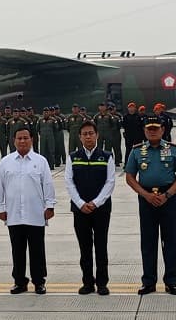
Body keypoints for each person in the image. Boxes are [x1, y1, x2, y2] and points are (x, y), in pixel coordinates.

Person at [125, 115, 176, 296]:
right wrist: (145, 195)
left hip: (168, 198)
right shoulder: (136, 151)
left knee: (170, 240)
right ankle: (149, 282)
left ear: (163, 130)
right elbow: (130, 177)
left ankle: (170, 281)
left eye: (156, 128)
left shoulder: (173, 149)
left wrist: (167, 195)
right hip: (146, 199)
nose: (152, 131)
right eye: (149, 128)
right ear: (144, 131)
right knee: (148, 241)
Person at [0, 127, 56, 295]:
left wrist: (50, 206)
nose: (22, 141)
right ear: (14, 141)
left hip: (36, 213)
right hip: (13, 213)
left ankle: (39, 281)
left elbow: (48, 185)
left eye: (25, 138)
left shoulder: (41, 161)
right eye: (19, 138)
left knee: (37, 250)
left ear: (32, 140)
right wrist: (0, 207)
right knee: (17, 250)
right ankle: (19, 281)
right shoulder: (6, 162)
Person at [64, 121, 115, 295]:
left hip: (101, 210)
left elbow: (110, 183)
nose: (88, 136)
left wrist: (95, 203)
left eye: (91, 133)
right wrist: (80, 203)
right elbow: (69, 182)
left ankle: (102, 283)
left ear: (97, 135)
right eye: (84, 134)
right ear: (80, 137)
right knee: (84, 248)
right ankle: (87, 282)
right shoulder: (73, 157)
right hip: (80, 210)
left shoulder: (106, 156)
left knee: (101, 246)